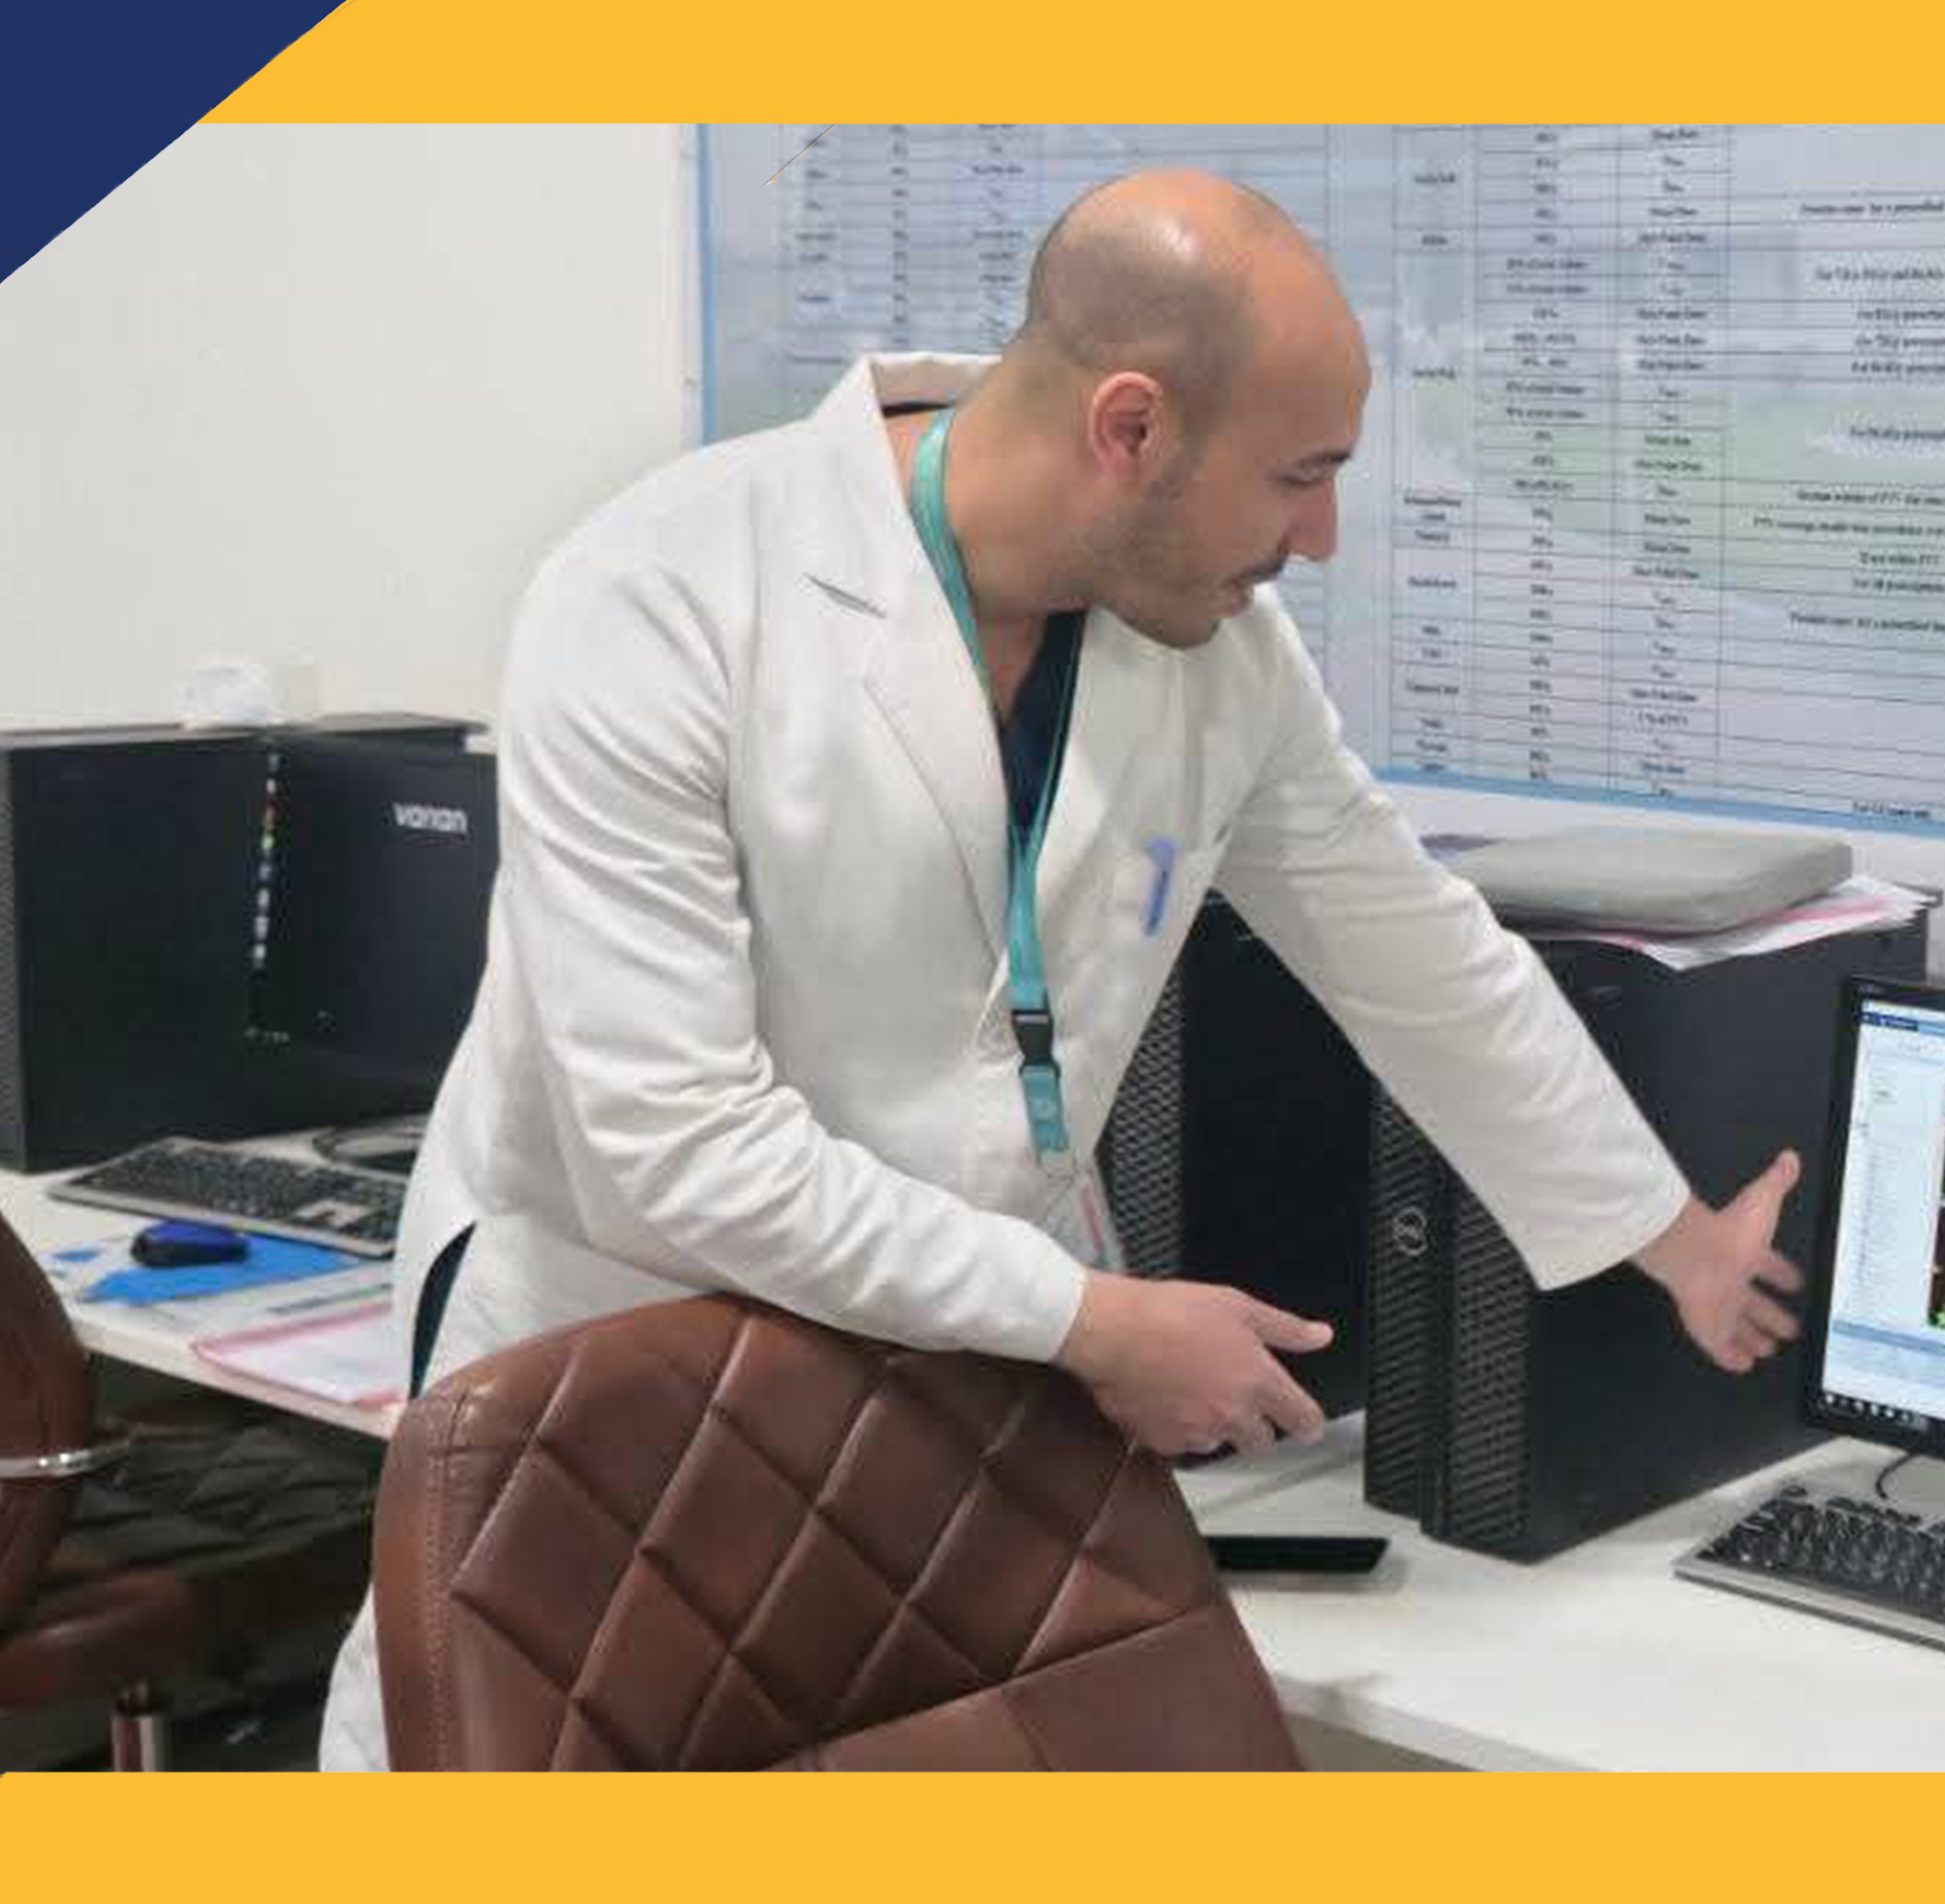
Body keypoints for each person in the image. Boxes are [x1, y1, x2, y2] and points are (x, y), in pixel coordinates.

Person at [316, 169, 1804, 1768]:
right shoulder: (660, 598)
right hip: (621, 1341)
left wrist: (1669, 1236)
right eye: (1299, 478)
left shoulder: (1215, 655)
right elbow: (676, 1145)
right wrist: (1089, 1321)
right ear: (1130, 428)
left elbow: (1415, 950)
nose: (1321, 538)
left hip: (952, 1347)